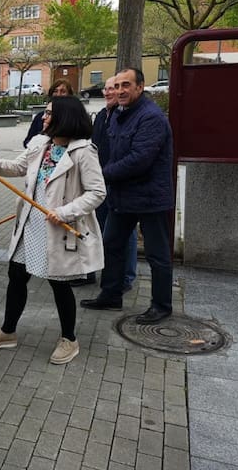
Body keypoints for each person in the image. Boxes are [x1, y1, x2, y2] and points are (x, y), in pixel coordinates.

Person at [0, 96, 105, 364]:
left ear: (65, 118)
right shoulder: (40, 143)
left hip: (59, 227)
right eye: (45, 113)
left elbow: (97, 192)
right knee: (16, 275)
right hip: (31, 223)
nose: (43, 118)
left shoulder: (83, 151)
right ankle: (7, 332)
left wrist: (65, 212)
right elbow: (19, 167)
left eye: (48, 113)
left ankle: (69, 339)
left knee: (58, 283)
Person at [80, 67, 175, 324]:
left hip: (150, 198)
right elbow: (112, 152)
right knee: (112, 244)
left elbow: (139, 160)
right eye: (117, 85)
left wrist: (101, 176)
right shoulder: (119, 114)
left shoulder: (151, 117)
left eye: (126, 85)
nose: (120, 90)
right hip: (123, 195)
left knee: (157, 254)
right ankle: (111, 295)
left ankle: (162, 305)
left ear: (140, 87)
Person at [69, 77, 137, 288]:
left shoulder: (125, 116)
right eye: (106, 89)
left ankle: (125, 278)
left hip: (117, 182)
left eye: (113, 88)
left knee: (124, 233)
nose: (108, 92)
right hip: (98, 180)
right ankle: (90, 272)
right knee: (93, 227)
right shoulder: (101, 115)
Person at [23, 78, 75, 148]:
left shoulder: (74, 117)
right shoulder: (40, 117)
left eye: (63, 91)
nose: (58, 94)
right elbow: (27, 141)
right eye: (55, 91)